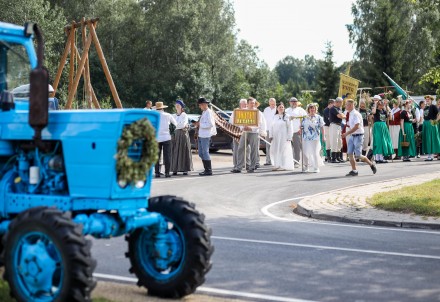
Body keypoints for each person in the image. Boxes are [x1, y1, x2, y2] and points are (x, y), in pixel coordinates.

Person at [342, 99, 377, 176]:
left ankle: (371, 164)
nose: (345, 106)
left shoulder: (355, 114)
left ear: (351, 105)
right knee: (350, 153)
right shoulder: (349, 113)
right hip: (352, 135)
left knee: (358, 155)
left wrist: (347, 133)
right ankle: (354, 171)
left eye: (346, 105)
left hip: (358, 136)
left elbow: (356, 126)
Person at [235, 97, 266, 173]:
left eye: (254, 103)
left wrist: (251, 128)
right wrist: (243, 127)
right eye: (251, 103)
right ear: (248, 103)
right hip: (245, 133)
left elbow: (259, 123)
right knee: (240, 148)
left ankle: (252, 167)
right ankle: (239, 167)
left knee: (254, 150)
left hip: (254, 133)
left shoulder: (257, 112)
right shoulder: (243, 111)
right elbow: (239, 121)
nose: (253, 104)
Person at [154, 102, 177, 178]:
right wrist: (171, 131)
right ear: (163, 108)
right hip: (166, 137)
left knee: (157, 155)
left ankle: (157, 172)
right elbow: (175, 124)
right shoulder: (168, 115)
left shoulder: (154, 115)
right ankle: (167, 172)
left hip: (157, 137)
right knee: (167, 155)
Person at [269, 102, 294, 171]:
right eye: (280, 107)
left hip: (284, 136)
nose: (281, 108)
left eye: (282, 107)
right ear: (277, 108)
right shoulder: (274, 116)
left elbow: (290, 127)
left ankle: (284, 165)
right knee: (276, 150)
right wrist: (271, 135)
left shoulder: (287, 116)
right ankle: (277, 165)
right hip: (276, 137)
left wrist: (289, 137)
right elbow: (271, 126)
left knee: (284, 151)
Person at [171, 100, 193, 175]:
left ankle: (185, 169)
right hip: (175, 135)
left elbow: (183, 125)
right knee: (175, 151)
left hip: (182, 135)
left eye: (178, 104)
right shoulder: (173, 115)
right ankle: (175, 169)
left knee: (183, 151)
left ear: (182, 106)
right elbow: (171, 125)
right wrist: (178, 125)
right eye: (176, 104)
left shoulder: (184, 115)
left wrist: (177, 125)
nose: (177, 106)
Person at [301, 103, 325, 173]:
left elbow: (322, 128)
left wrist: (323, 136)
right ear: (308, 109)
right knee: (305, 152)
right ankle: (306, 167)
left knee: (314, 152)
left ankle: (316, 167)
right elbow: (301, 126)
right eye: (310, 108)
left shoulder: (319, 117)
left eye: (313, 108)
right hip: (305, 137)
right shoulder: (304, 117)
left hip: (315, 137)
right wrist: (301, 128)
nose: (312, 109)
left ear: (315, 109)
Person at [197, 97, 217, 175]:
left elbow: (210, 124)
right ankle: (206, 169)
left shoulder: (208, 112)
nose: (200, 107)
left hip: (205, 135)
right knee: (201, 153)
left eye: (200, 105)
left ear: (204, 104)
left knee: (204, 152)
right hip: (201, 134)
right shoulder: (204, 112)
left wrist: (200, 124)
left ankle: (208, 170)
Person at [286, 97, 307, 168]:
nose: (294, 102)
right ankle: (288, 161)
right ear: (289, 102)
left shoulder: (301, 110)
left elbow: (305, 119)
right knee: (288, 147)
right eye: (292, 101)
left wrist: (301, 128)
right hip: (288, 131)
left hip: (296, 131)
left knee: (297, 147)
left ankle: (296, 161)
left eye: (295, 101)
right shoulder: (286, 110)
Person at [371, 97, 394, 163]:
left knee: (383, 141)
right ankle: (378, 158)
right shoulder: (376, 110)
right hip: (378, 126)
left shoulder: (384, 111)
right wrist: (375, 104)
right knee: (379, 141)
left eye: (383, 104)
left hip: (383, 126)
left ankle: (379, 158)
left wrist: (388, 108)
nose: (382, 105)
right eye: (381, 104)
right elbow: (373, 112)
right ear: (378, 105)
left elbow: (390, 118)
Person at [230, 99, 250, 173]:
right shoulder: (236, 111)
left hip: (246, 132)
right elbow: (231, 121)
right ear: (240, 104)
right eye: (243, 104)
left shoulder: (249, 111)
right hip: (237, 132)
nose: (244, 105)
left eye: (245, 104)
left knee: (247, 149)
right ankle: (236, 165)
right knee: (236, 150)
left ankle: (247, 165)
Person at [421, 95, 440, 161]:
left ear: (431, 100)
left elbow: (439, 114)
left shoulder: (433, 106)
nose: (427, 100)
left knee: (431, 139)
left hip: (431, 123)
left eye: (428, 99)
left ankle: (430, 155)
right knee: (427, 139)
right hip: (426, 123)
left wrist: (435, 121)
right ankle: (429, 155)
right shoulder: (426, 107)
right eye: (426, 99)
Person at [328, 97, 346, 163]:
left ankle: (338, 157)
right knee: (334, 141)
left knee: (339, 142)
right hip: (334, 125)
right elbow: (340, 116)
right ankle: (333, 158)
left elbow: (343, 115)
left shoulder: (339, 109)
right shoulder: (333, 108)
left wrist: (342, 115)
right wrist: (342, 115)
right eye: (341, 102)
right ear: (337, 102)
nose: (342, 103)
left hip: (338, 125)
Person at [263, 98, 277, 165]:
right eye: (271, 104)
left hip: (276, 130)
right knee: (268, 146)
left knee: (275, 145)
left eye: (274, 104)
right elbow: (263, 120)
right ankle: (268, 161)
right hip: (268, 130)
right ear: (269, 103)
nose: (273, 105)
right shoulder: (266, 110)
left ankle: (276, 160)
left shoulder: (278, 109)